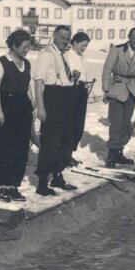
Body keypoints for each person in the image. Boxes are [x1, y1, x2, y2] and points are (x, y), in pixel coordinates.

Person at [0, 29, 35, 202]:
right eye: (24, 46)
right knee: (6, 149)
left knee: (21, 149)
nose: (27, 50)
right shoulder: (1, 63)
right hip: (5, 107)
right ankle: (3, 187)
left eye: (28, 47)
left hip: (23, 107)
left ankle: (14, 186)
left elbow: (27, 85)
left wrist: (32, 104)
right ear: (14, 45)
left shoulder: (27, 64)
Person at [32, 25, 78, 196]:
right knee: (51, 142)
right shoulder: (46, 55)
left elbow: (63, 76)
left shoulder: (64, 54)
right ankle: (42, 182)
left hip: (67, 97)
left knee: (66, 141)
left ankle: (57, 176)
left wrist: (72, 76)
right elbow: (38, 82)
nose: (65, 41)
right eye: (62, 37)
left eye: (68, 38)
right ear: (54, 36)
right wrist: (41, 107)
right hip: (53, 98)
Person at [102, 27, 135, 168]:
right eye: (134, 38)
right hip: (117, 89)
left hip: (132, 92)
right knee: (116, 123)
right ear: (129, 37)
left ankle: (119, 152)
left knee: (127, 124)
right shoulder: (117, 49)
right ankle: (111, 155)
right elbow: (107, 69)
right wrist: (106, 89)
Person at [66, 31, 92, 162]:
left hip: (82, 90)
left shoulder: (82, 57)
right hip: (72, 91)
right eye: (82, 45)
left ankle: (69, 153)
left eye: (86, 46)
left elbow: (84, 73)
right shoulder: (68, 55)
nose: (84, 48)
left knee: (79, 126)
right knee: (71, 125)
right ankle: (65, 155)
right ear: (75, 43)